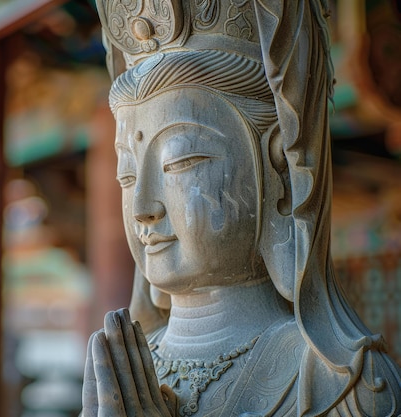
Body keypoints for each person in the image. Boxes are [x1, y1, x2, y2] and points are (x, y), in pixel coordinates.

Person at [82, 0, 401, 416]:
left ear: (278, 169)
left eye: (181, 162)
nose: (142, 206)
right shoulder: (127, 372)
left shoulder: (341, 384)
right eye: (127, 174)